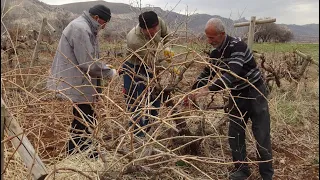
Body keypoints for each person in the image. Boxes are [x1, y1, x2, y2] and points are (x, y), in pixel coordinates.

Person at [190, 18, 273, 180]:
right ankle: (241, 171)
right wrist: (191, 91)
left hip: (255, 92)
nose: (209, 41)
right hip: (237, 95)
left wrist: (207, 90)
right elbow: (207, 73)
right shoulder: (216, 53)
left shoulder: (238, 47)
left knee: (262, 134)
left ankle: (267, 175)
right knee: (235, 134)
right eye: (207, 37)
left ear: (222, 34)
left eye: (212, 37)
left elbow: (230, 75)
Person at [47, 4, 117, 158]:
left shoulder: (86, 27)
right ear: (97, 18)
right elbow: (87, 62)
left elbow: (89, 58)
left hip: (80, 81)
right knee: (83, 119)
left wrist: (102, 67)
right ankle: (76, 154)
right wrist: (109, 72)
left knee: (86, 117)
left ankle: (85, 152)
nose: (104, 27)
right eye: (104, 23)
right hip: (76, 81)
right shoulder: (81, 29)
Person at [123, 11, 174, 137]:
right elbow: (152, 62)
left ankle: (151, 127)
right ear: (143, 28)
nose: (155, 31)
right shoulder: (134, 40)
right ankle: (138, 136)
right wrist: (170, 68)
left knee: (154, 96)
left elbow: (167, 36)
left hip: (151, 64)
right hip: (135, 67)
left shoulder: (158, 21)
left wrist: (168, 47)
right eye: (151, 30)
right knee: (135, 101)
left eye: (156, 28)